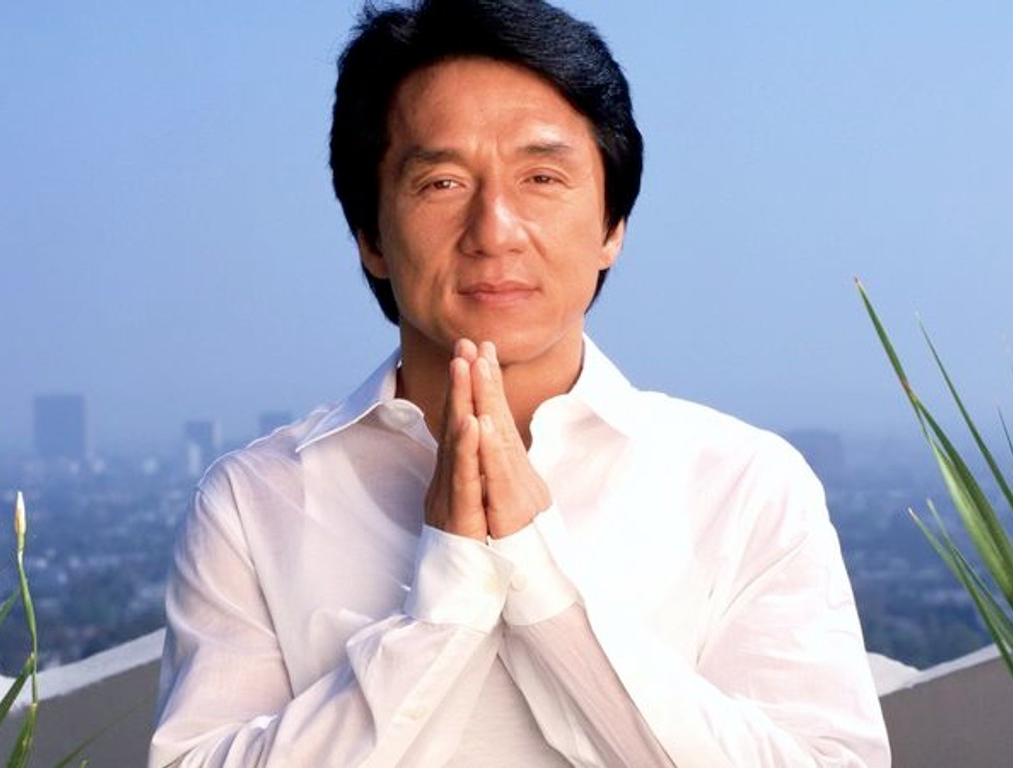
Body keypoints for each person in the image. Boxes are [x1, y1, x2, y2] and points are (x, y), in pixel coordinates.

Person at [149, 0, 891, 765]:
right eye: (441, 182)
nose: (494, 230)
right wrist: (444, 604)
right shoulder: (255, 501)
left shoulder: (743, 485)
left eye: (542, 176)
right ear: (370, 235)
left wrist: (539, 575)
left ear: (611, 226)